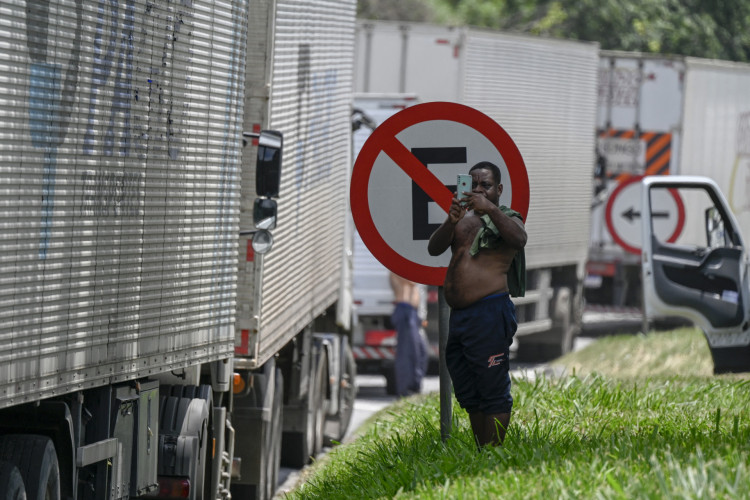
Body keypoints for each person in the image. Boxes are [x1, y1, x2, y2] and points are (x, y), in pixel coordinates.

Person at [427, 161, 527, 448]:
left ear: (499, 189)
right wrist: (451, 220)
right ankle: (480, 450)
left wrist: (490, 210)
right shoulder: (463, 219)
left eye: (485, 185)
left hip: (490, 313)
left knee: (492, 387)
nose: (478, 190)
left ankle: (493, 454)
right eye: (473, 185)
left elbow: (519, 239)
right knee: (469, 388)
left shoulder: (507, 218)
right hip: (461, 317)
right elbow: (434, 248)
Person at [389, 272, 429, 397]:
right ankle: (405, 390)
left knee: (421, 351)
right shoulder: (398, 269)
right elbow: (412, 280)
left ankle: (414, 384)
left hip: (412, 312)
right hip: (405, 310)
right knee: (406, 354)